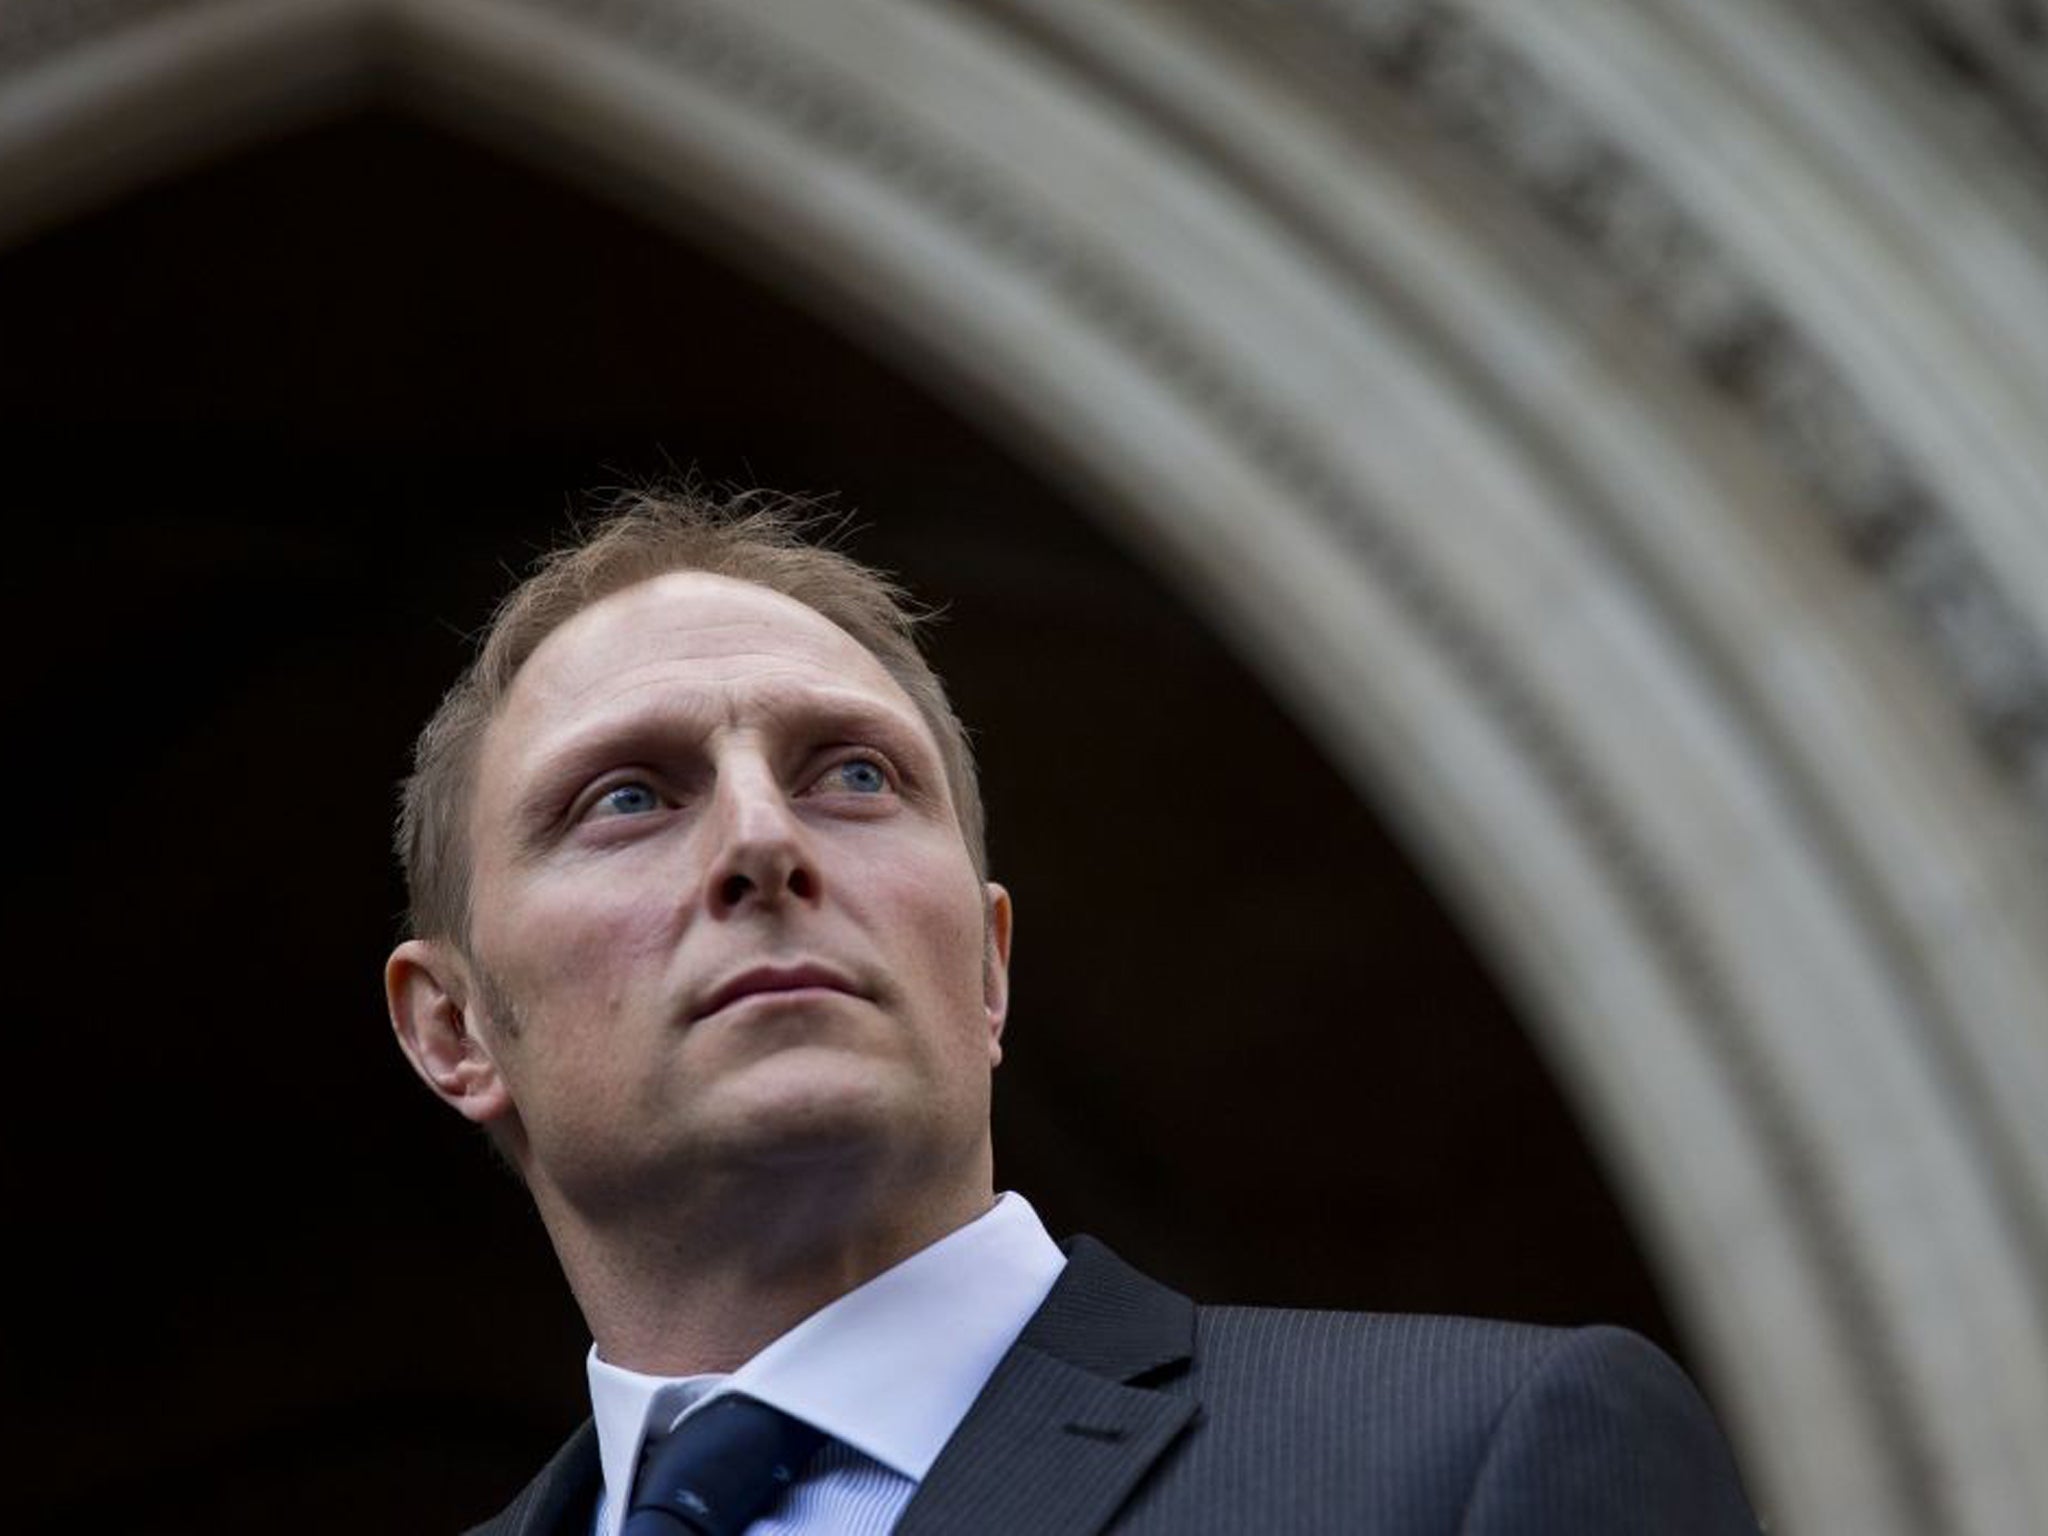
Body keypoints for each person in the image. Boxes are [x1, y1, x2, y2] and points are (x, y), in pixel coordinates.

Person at [386, 487, 1762, 1535]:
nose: (762, 840)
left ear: (988, 971)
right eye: (627, 796)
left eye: (855, 777)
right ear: (453, 1030)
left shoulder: (1478, 1460)